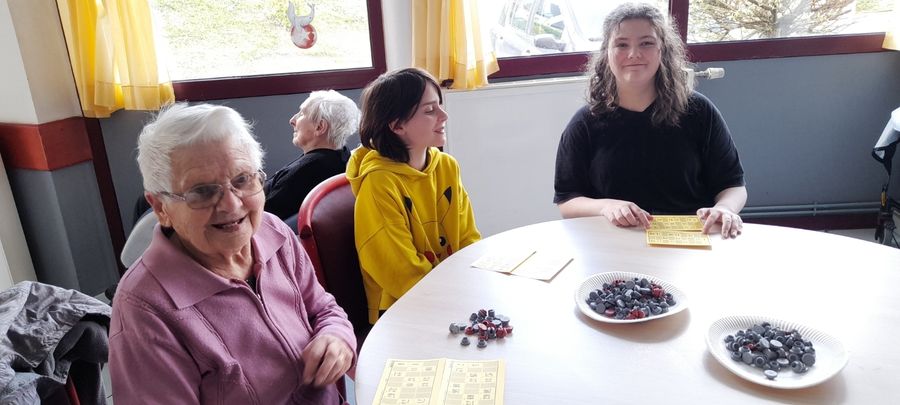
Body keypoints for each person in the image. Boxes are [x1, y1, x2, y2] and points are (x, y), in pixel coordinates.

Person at [109, 103, 355, 404]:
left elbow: (323, 308)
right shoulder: (145, 309)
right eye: (202, 191)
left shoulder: (273, 232)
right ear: (161, 207)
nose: (231, 204)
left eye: (242, 180)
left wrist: (336, 337)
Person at [554, 2, 747, 238]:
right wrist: (606, 206)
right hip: (613, 240)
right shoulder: (584, 122)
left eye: (646, 43)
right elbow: (567, 200)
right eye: (622, 44)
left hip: (688, 241)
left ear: (662, 49)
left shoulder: (699, 111)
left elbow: (733, 185)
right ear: (607, 53)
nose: (634, 54)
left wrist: (725, 209)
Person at [347, 68, 481, 324]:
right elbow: (402, 274)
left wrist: (474, 282)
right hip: (400, 311)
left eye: (439, 105)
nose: (444, 115)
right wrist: (459, 298)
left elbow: (468, 239)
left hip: (450, 296)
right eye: (430, 110)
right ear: (397, 125)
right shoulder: (378, 183)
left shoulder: (446, 166)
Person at [264, 90, 359, 220]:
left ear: (320, 127)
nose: (292, 120)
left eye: (302, 114)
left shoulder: (307, 170)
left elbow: (262, 218)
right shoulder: (342, 156)